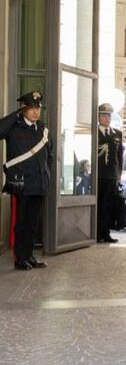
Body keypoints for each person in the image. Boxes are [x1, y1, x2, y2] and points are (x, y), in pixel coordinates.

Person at [0, 91, 52, 270]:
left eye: (38, 108)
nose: (35, 112)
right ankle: (19, 258)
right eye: (31, 108)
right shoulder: (13, 127)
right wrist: (16, 114)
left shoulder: (43, 130)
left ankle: (29, 256)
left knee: (32, 224)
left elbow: (49, 157)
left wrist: (46, 176)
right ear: (23, 109)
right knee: (20, 224)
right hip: (21, 185)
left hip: (39, 184)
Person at [97, 103, 123, 243]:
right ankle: (96, 233)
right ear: (98, 117)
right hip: (97, 176)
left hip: (111, 176)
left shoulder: (117, 134)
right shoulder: (94, 133)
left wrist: (119, 175)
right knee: (98, 205)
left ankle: (106, 233)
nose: (106, 118)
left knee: (108, 205)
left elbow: (119, 157)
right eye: (103, 115)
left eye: (108, 116)